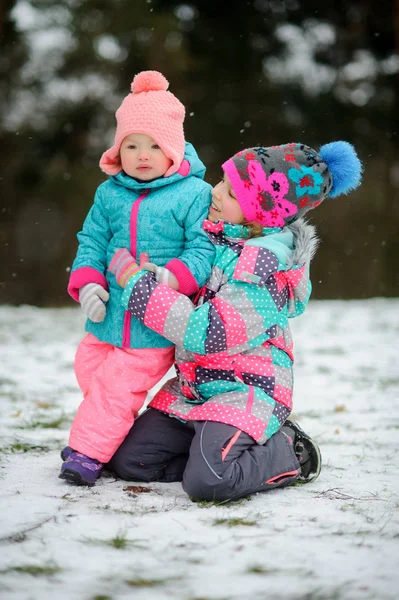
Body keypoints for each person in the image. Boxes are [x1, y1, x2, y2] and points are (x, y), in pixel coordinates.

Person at [107, 140, 362, 502]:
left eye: (229, 191)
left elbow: (207, 332)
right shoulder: (218, 239)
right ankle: (213, 451)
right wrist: (162, 275)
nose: (214, 192)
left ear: (260, 214)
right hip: (196, 391)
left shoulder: (265, 272)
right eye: (221, 181)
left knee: (208, 482)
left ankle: (291, 451)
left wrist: (138, 286)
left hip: (246, 393)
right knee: (131, 461)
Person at [59, 71, 215, 485]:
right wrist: (88, 281)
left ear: (173, 148)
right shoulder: (109, 193)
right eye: (131, 144)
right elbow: (91, 239)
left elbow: (203, 249)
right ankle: (110, 432)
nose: (142, 154)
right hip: (107, 315)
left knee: (116, 387)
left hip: (153, 322)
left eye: (154, 145)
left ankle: (86, 455)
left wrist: (173, 277)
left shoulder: (193, 195)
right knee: (90, 369)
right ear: (118, 148)